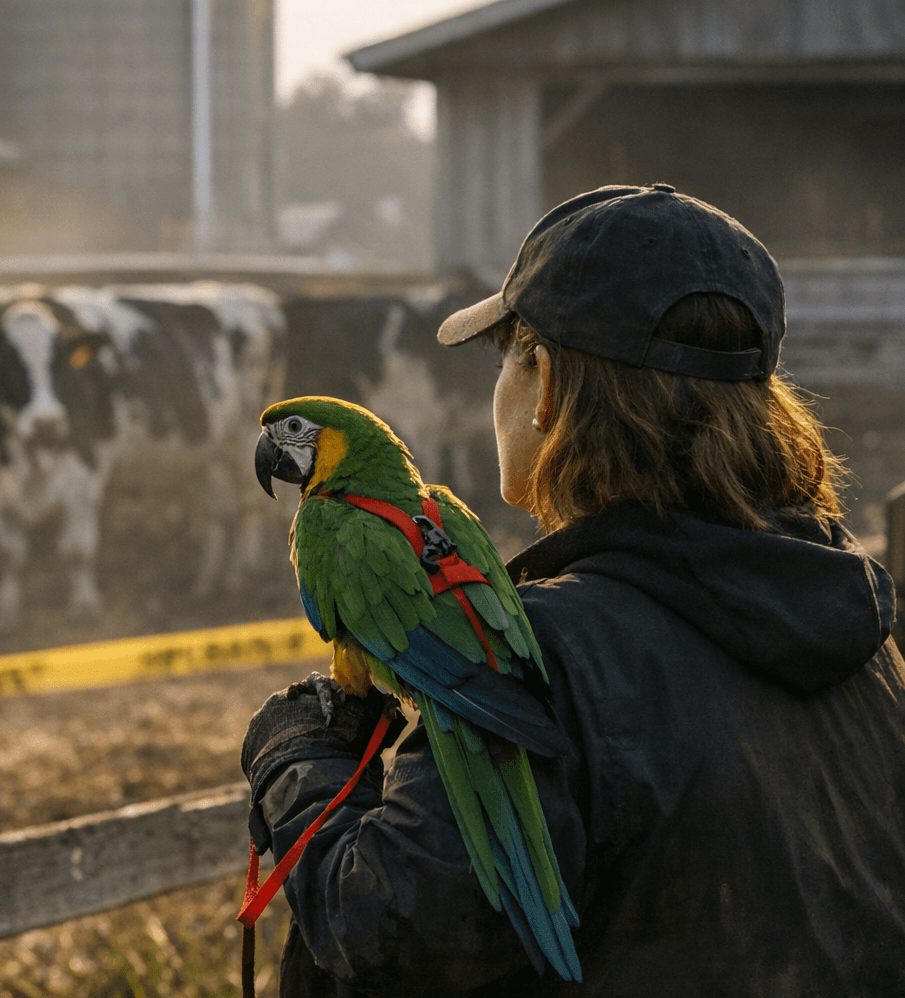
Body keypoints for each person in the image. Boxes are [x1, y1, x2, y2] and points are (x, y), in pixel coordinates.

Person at [240, 184, 905, 996]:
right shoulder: (870, 636)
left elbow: (392, 939)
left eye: (504, 360)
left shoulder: (546, 654)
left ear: (545, 385)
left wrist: (299, 768)